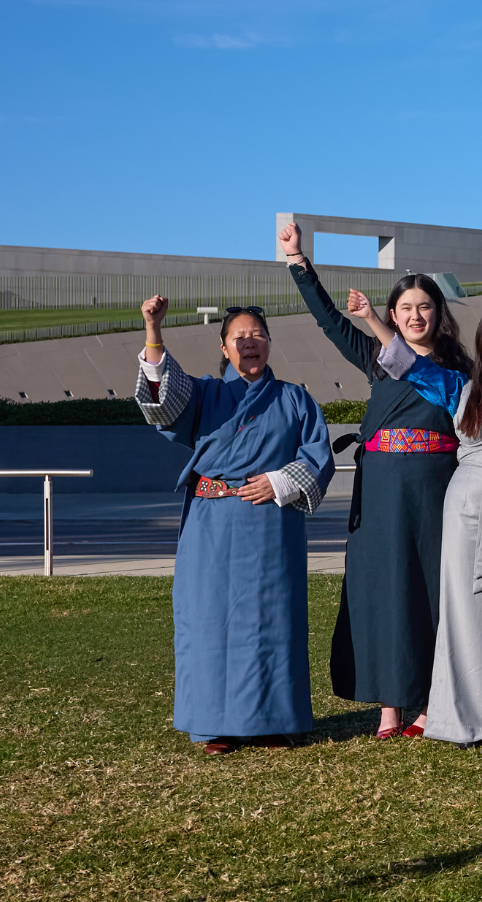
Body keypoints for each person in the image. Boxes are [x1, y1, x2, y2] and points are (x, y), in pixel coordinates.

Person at [282, 223, 469, 740]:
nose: (415, 315)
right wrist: (300, 262)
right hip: (380, 492)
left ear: (438, 313)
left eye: (424, 307)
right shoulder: (375, 361)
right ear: (394, 314)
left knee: (429, 590)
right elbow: (328, 322)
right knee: (382, 591)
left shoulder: (457, 368)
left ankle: (431, 701)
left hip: (433, 492)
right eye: (405, 308)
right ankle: (389, 705)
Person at [135, 297, 332, 754]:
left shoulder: (295, 398)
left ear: (269, 343)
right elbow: (163, 403)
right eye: (238, 337)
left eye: (257, 335)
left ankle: (270, 721)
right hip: (210, 526)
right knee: (207, 621)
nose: (249, 343)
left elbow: (317, 457)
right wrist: (153, 330)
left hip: (270, 526)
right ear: (224, 347)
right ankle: (212, 724)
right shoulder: (205, 394)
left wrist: (279, 480)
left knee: (270, 621)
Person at [349, 294, 482, 749]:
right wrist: (374, 321)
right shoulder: (461, 387)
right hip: (462, 506)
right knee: (460, 611)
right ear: (481, 347)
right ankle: (460, 713)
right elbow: (409, 366)